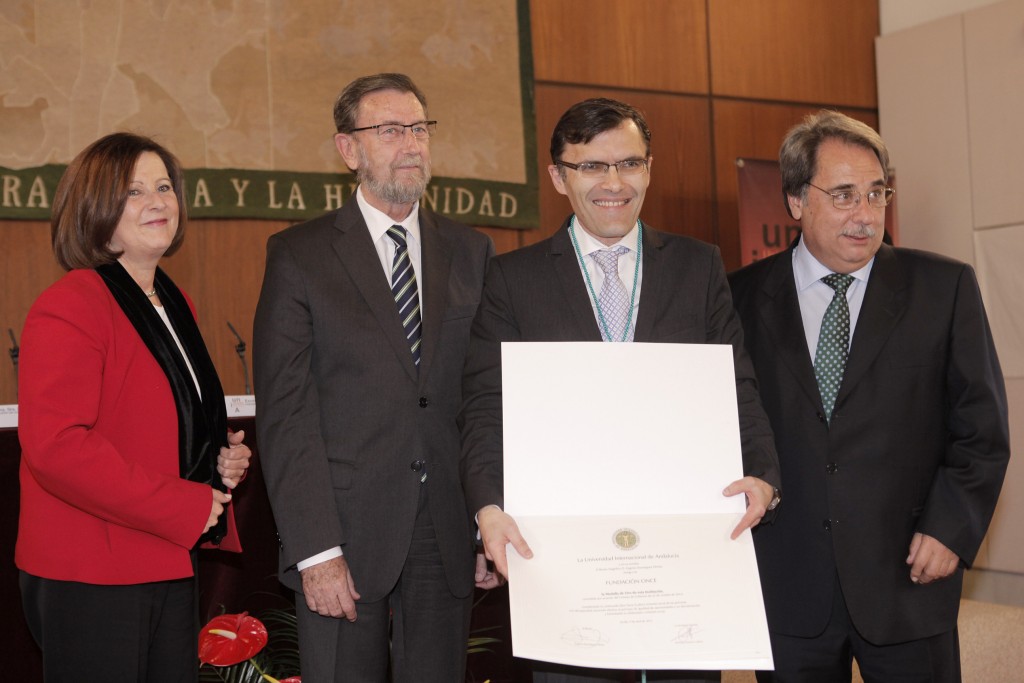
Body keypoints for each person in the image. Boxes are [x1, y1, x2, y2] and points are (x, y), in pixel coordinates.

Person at [460, 97, 782, 683]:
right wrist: (487, 508)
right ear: (559, 177)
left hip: (681, 554)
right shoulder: (512, 279)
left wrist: (762, 474)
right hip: (562, 558)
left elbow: (735, 384)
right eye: (592, 166)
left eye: (629, 163)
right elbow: (487, 406)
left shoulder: (697, 267)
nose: (614, 183)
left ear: (649, 169)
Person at [728, 110, 1010, 682]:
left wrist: (951, 528)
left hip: (908, 573)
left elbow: (982, 431)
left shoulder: (943, 288)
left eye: (877, 193)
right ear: (795, 201)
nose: (865, 214)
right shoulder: (737, 298)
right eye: (844, 195)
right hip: (787, 581)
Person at [252, 73, 495, 682]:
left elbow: (483, 400)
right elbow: (286, 414)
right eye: (389, 130)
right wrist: (315, 549)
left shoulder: (471, 251)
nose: (411, 144)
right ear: (349, 150)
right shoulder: (299, 254)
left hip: (445, 532)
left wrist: (483, 520)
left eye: (419, 129)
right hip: (342, 535)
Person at [16, 132, 252, 681]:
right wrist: (182, 504)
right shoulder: (71, 303)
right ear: (95, 210)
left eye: (164, 187)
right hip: (93, 570)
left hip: (166, 557)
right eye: (133, 191)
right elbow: (57, 448)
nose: (157, 201)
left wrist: (218, 459)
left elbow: (168, 422)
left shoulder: (174, 301)